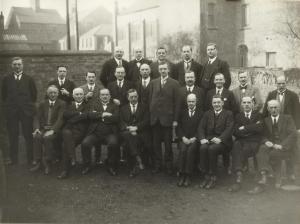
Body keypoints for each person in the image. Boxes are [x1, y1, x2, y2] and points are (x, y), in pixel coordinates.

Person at [249, 100, 297, 194]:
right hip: (272, 145)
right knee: (262, 149)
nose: (274, 110)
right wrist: (266, 141)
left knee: (273, 154)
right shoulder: (266, 120)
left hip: (285, 147)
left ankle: (276, 176)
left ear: (280, 108)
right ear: (268, 109)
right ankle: (263, 176)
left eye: (276, 107)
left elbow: (293, 134)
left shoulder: (287, 118)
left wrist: (282, 145)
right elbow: (262, 134)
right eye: (271, 108)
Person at [262, 75, 300, 180]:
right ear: (276, 84)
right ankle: (275, 172)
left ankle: (290, 172)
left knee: (291, 146)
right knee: (274, 148)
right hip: (275, 124)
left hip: (288, 125)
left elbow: (297, 112)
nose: (281, 85)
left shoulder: (293, 95)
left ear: (286, 83)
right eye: (279, 83)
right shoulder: (271, 94)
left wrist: (298, 127)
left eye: (283, 83)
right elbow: (266, 110)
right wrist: (263, 122)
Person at [1, 57, 37, 165]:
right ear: (12, 66)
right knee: (13, 135)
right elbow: (4, 95)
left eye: (19, 64)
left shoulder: (29, 79)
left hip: (26, 112)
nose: (17, 66)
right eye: (15, 64)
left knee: (28, 136)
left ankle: (30, 159)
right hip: (12, 112)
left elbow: (34, 95)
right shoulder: (6, 79)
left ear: (22, 65)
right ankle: (14, 160)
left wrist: (27, 106)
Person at [149, 62, 180, 174]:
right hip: (155, 119)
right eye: (161, 69)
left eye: (165, 69)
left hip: (168, 119)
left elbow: (177, 103)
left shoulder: (175, 83)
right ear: (158, 70)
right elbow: (150, 100)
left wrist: (175, 120)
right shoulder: (153, 82)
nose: (163, 71)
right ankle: (157, 164)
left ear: (168, 70)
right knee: (156, 144)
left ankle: (168, 165)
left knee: (168, 144)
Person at [228, 96, 263, 192]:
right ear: (241, 104)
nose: (246, 105)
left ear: (252, 104)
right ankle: (239, 174)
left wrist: (244, 128)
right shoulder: (238, 116)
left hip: (254, 142)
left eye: (248, 102)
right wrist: (252, 128)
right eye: (244, 103)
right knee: (236, 146)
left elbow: (260, 128)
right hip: (242, 141)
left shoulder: (259, 115)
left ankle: (253, 177)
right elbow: (235, 131)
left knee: (242, 150)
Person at [198, 95, 234, 189]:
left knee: (212, 149)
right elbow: (201, 127)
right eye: (214, 102)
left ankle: (213, 176)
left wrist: (220, 138)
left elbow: (229, 129)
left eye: (218, 102)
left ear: (222, 103)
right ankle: (206, 175)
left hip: (223, 142)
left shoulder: (228, 114)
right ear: (212, 103)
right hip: (209, 139)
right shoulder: (207, 114)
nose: (216, 104)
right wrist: (202, 138)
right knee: (203, 148)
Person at [81, 89, 119, 176]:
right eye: (102, 95)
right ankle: (87, 165)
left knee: (113, 143)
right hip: (95, 133)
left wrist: (98, 116)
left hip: (110, 133)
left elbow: (116, 118)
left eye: (106, 95)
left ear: (109, 96)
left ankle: (111, 166)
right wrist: (104, 114)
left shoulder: (115, 106)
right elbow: (90, 115)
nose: (105, 96)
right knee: (85, 143)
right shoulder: (94, 104)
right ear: (100, 96)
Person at [30, 85, 66, 174]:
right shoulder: (42, 104)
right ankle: (38, 161)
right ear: (47, 93)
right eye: (50, 93)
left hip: (55, 130)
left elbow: (60, 119)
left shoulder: (62, 104)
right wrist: (37, 129)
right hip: (43, 128)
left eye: (54, 93)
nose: (52, 94)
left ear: (58, 94)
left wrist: (52, 130)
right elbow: (37, 117)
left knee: (47, 138)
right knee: (37, 137)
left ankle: (48, 162)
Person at [58, 88, 90, 179]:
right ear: (73, 96)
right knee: (66, 133)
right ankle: (72, 158)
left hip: (80, 132)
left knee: (65, 145)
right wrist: (79, 114)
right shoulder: (68, 105)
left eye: (80, 94)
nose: (79, 96)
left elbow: (86, 116)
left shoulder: (88, 106)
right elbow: (65, 114)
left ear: (83, 95)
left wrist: (73, 117)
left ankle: (65, 170)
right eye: (76, 94)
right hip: (68, 130)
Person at [120, 89, 151, 177]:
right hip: (127, 132)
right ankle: (137, 160)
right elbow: (121, 122)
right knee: (128, 136)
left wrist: (136, 128)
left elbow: (146, 121)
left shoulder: (144, 107)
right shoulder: (123, 108)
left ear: (138, 97)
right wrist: (129, 129)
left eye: (135, 96)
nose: (133, 98)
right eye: (131, 97)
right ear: (127, 98)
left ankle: (135, 163)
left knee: (130, 141)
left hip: (141, 132)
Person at [176, 93, 203, 187]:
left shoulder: (201, 113)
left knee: (190, 151)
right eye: (189, 101)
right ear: (186, 102)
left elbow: (201, 128)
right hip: (184, 139)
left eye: (193, 101)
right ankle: (181, 174)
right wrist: (183, 137)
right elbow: (178, 127)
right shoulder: (182, 112)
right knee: (183, 150)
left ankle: (188, 175)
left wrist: (194, 138)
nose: (191, 103)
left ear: (196, 101)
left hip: (195, 139)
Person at [80, 71, 105, 165]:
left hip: (97, 116)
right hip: (85, 117)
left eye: (93, 77)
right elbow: (77, 103)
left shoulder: (100, 89)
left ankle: (98, 158)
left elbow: (103, 102)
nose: (91, 79)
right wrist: (85, 97)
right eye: (89, 77)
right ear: (85, 77)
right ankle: (86, 160)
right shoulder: (81, 89)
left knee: (97, 137)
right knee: (85, 139)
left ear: (95, 78)